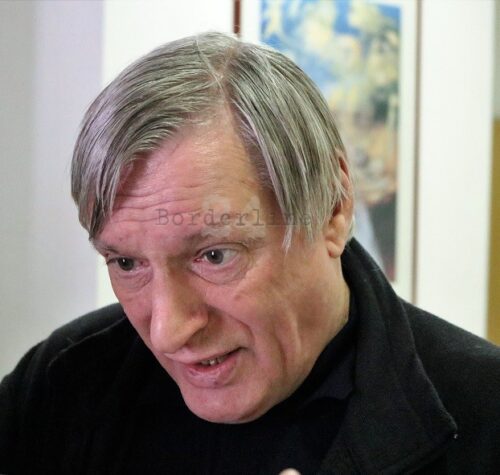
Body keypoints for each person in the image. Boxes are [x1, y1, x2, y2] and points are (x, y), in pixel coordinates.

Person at [0, 32, 499, 475]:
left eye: (215, 255)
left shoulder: (486, 416)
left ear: (332, 206)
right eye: (127, 264)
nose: (168, 331)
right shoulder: (63, 385)